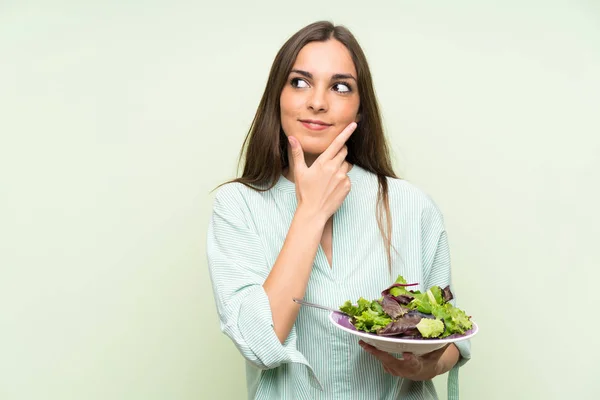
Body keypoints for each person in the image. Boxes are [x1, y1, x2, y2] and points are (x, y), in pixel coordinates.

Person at [206, 20, 471, 400]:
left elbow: (452, 336)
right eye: (299, 82)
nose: (317, 101)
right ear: (276, 97)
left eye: (340, 86)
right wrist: (311, 211)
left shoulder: (413, 206)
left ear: (359, 109)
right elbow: (257, 343)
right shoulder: (237, 207)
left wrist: (425, 364)